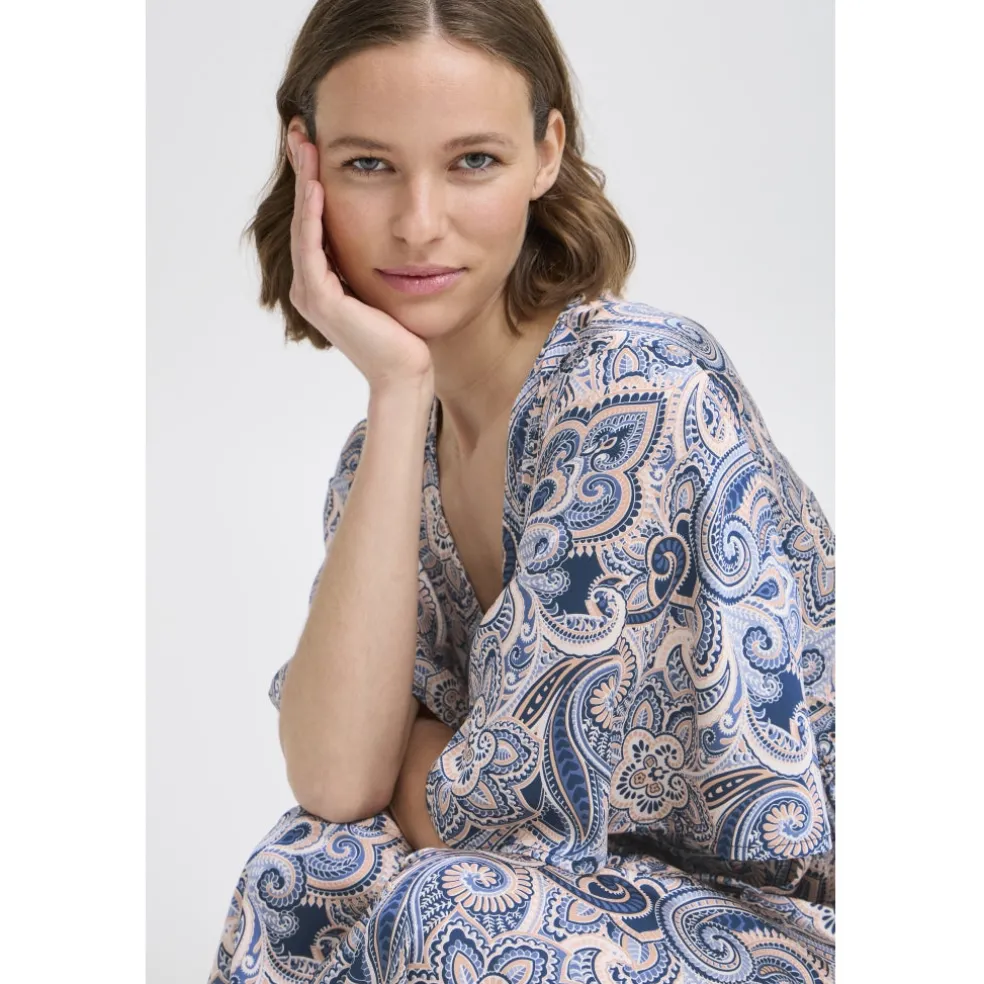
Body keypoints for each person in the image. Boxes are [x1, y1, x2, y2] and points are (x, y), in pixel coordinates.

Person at [208, 2, 835, 981]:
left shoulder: (635, 391)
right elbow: (335, 782)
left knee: (455, 910)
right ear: (308, 163)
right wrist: (399, 388)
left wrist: (427, 756)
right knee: (305, 871)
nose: (419, 224)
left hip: (788, 924)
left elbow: (497, 832)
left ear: (546, 154)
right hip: (584, 904)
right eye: (370, 164)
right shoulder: (387, 458)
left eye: (472, 161)